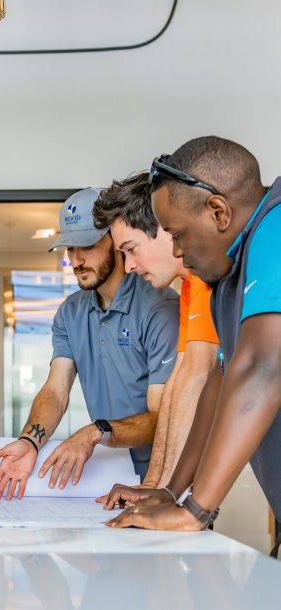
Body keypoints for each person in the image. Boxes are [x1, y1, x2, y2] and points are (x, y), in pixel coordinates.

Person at [106, 136, 281, 533]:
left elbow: (263, 368)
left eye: (179, 235)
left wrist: (196, 512)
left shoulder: (277, 227)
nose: (178, 252)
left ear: (218, 211)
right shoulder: (228, 275)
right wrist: (173, 492)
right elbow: (220, 381)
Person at [0, 188, 179, 501]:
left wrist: (96, 431)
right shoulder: (70, 312)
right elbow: (55, 391)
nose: (76, 259)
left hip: (169, 482)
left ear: (116, 241)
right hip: (107, 478)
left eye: (87, 245)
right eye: (69, 247)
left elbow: (164, 417)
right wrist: (30, 441)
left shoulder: (160, 307)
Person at [91, 173, 218, 497]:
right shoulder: (190, 286)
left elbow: (197, 379)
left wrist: (168, 495)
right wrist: (153, 487)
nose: (129, 265)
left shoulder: (207, 279)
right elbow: (179, 381)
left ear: (164, 226)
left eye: (131, 249)